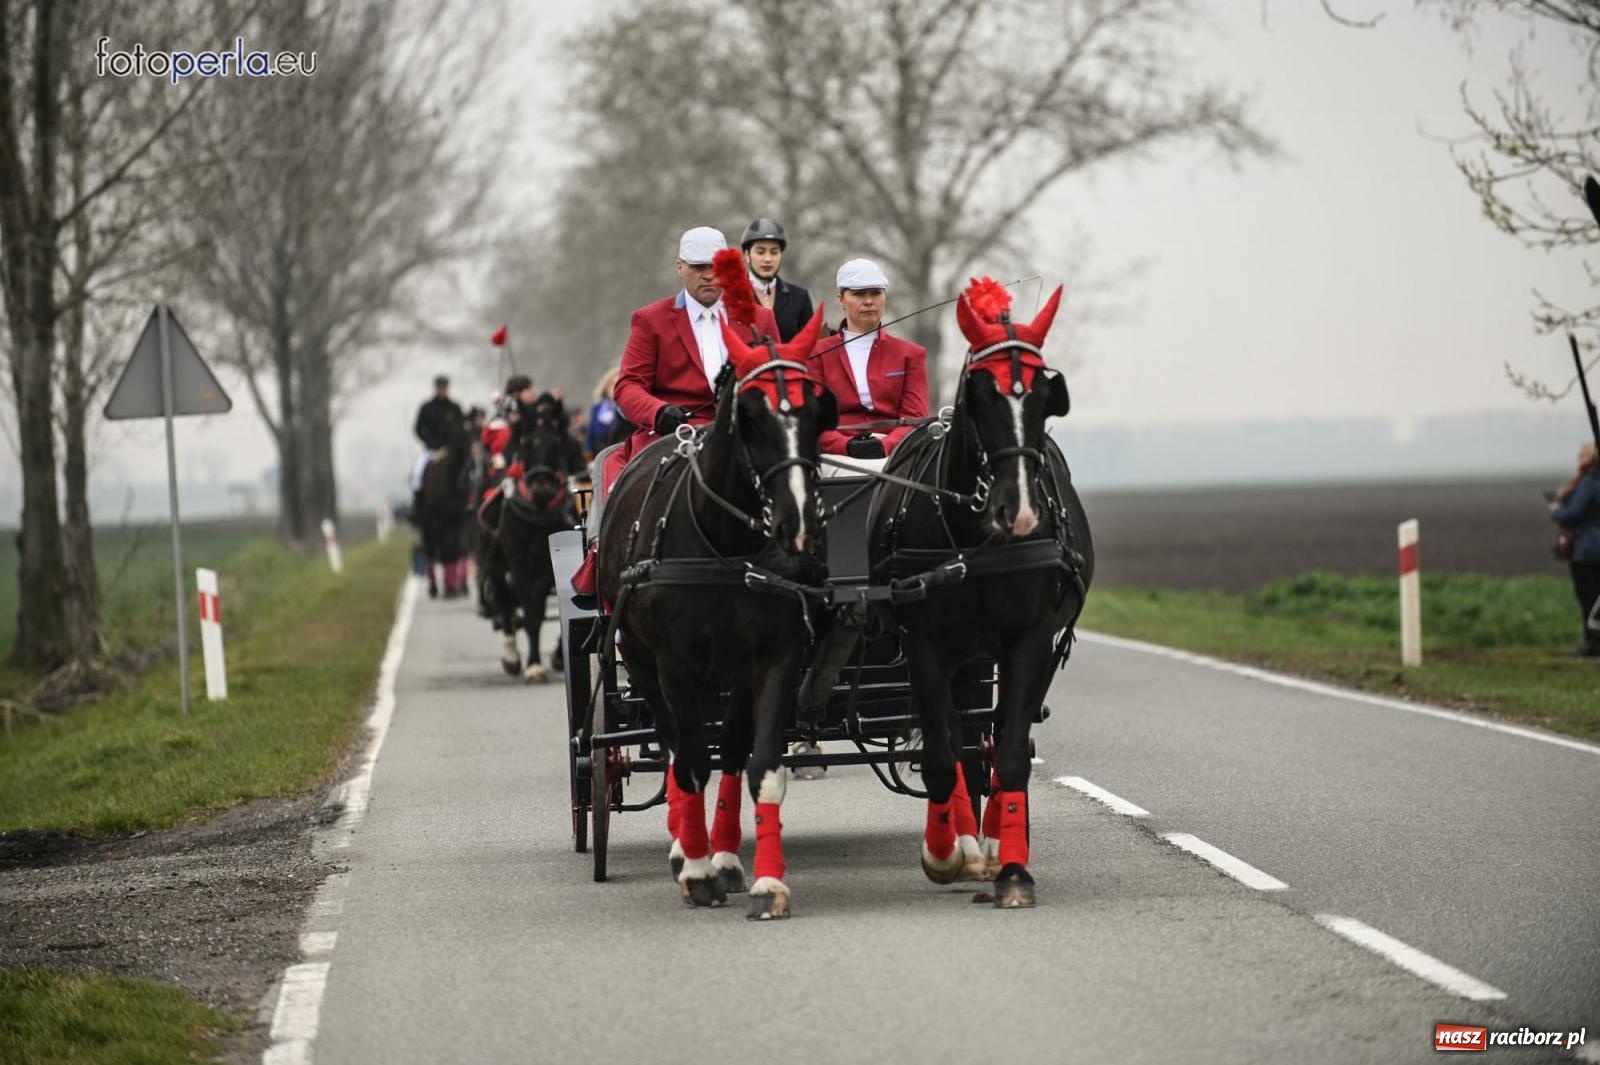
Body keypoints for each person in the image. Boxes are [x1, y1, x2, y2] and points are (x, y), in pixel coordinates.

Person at [571, 226, 780, 595]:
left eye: (716, 266)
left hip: (743, 436)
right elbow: (627, 386)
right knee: (628, 485)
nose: (709, 275)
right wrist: (657, 411)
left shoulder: (759, 320)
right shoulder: (651, 320)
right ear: (680, 268)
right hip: (674, 436)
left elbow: (777, 380)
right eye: (699, 267)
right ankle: (620, 562)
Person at [811, 258, 929, 462]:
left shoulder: (911, 354)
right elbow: (811, 421)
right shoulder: (816, 354)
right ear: (841, 299)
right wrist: (846, 446)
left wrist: (884, 446)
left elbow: (914, 420)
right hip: (835, 456)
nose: (868, 301)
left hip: (896, 455)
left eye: (875, 293)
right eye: (858, 294)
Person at [1550, 440, 1600, 657]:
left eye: (1582, 455)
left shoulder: (1589, 483)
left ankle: (1593, 644)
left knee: (1588, 597)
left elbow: (1573, 515)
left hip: (1588, 549)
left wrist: (1556, 509)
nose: (1578, 460)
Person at [741, 218, 813, 343]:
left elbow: (811, 345)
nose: (768, 259)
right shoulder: (732, 296)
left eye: (774, 252)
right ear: (747, 255)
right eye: (760, 252)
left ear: (781, 255)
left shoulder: (800, 297)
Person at [412, 374, 464, 515]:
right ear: (435, 388)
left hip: (450, 451)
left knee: (465, 473)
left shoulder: (455, 408)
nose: (442, 390)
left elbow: (461, 429)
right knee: (417, 476)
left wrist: (453, 445)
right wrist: (429, 442)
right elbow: (418, 428)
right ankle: (418, 509)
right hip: (431, 451)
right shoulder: (426, 407)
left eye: (444, 387)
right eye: (439, 387)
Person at [584, 365, 632, 458]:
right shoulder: (597, 408)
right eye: (612, 384)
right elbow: (591, 433)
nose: (615, 388)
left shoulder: (629, 408)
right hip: (600, 453)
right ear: (606, 387)